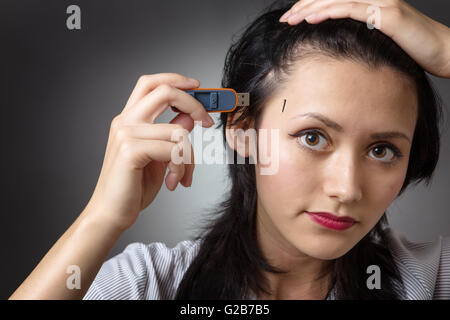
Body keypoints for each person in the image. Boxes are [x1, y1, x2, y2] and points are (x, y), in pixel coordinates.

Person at [9, 0, 450, 300]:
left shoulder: (431, 280)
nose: (347, 188)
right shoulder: (150, 285)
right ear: (242, 132)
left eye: (382, 150)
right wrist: (102, 217)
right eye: (312, 137)